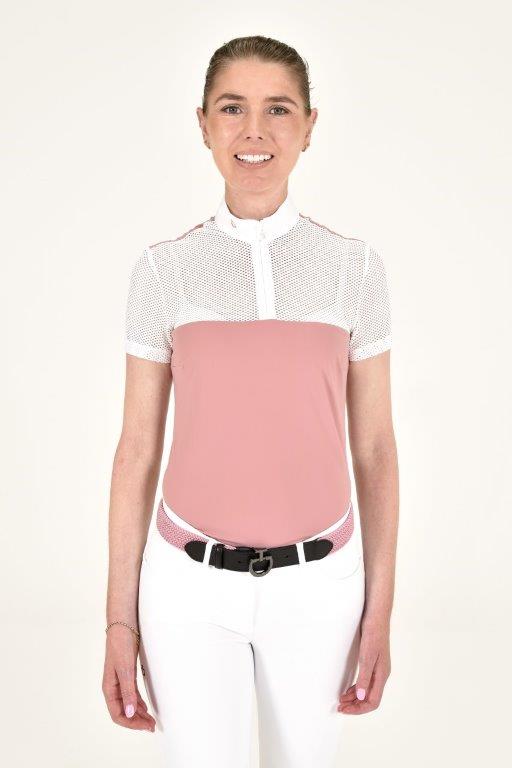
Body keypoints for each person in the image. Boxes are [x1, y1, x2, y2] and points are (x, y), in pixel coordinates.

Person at [102, 35, 399, 768]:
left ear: (309, 126)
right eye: (233, 108)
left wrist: (379, 611)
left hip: (322, 586)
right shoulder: (164, 270)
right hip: (186, 589)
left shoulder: (354, 269)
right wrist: (118, 622)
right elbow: (137, 449)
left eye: (279, 109)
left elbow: (374, 449)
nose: (254, 131)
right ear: (203, 123)